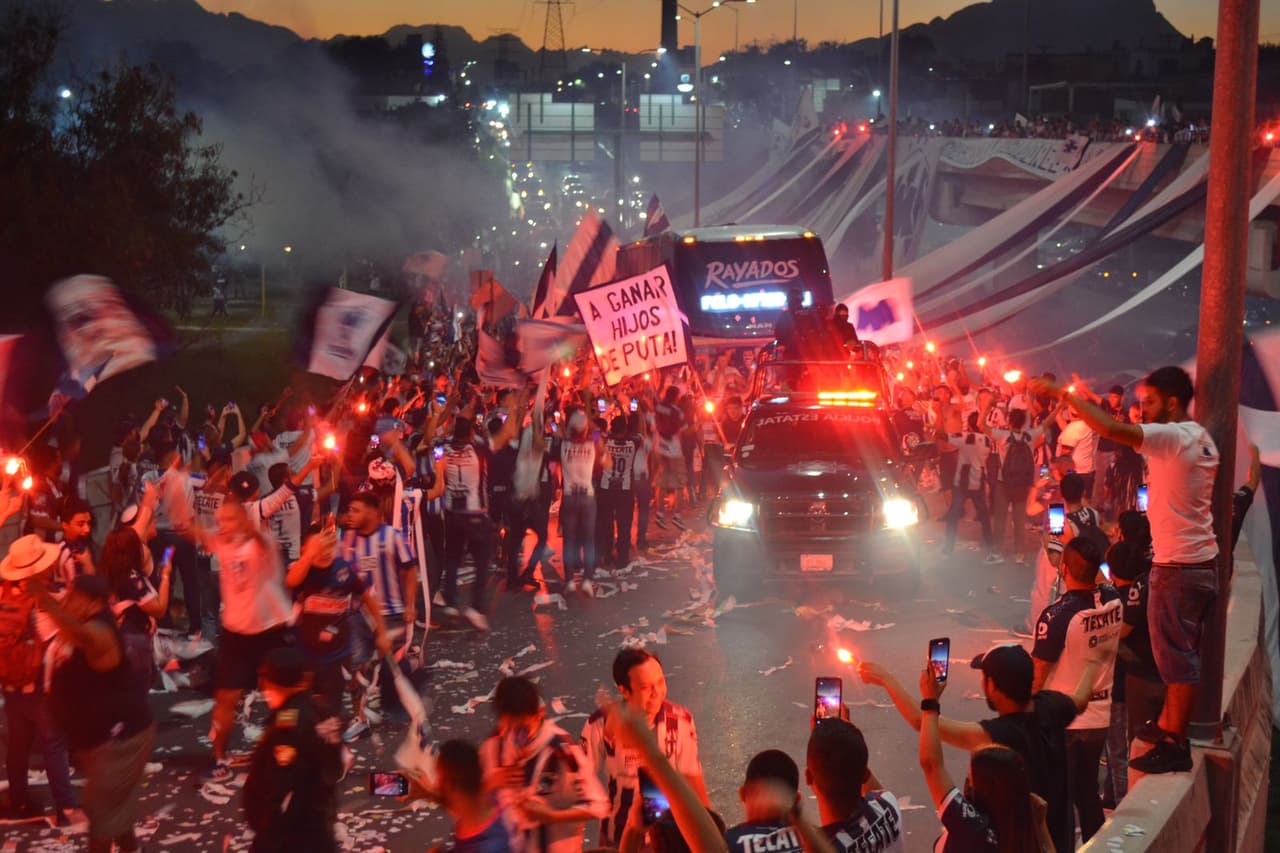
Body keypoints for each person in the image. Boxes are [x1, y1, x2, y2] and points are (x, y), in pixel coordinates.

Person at [1032, 367, 1217, 774]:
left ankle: (1175, 740)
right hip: (1198, 559)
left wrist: (1064, 396)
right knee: (1178, 651)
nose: (1141, 411)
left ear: (1171, 402)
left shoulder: (1174, 436)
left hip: (1180, 563)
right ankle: (1170, 728)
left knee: (1176, 656)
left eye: (1149, 402)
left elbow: (1114, 430)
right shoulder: (1201, 438)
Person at [858, 643, 1102, 853]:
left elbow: (921, 726)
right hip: (1053, 839)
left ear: (993, 685)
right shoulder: (1051, 706)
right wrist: (1094, 661)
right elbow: (1080, 700)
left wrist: (887, 679)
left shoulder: (998, 736)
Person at [36, 575, 155, 853]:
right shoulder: (84, 625)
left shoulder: (100, 632)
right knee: (114, 808)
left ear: (90, 602)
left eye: (73, 597)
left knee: (102, 817)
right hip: (101, 739)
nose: (66, 601)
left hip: (121, 738)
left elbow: (80, 634)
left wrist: (45, 602)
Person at [190, 499, 295, 780]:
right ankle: (219, 757)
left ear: (245, 521)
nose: (223, 526)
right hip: (237, 635)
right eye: (220, 520)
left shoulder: (263, 543)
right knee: (225, 698)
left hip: (269, 631)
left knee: (285, 698)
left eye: (230, 520)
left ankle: (289, 751)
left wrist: (247, 527)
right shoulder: (222, 543)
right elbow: (192, 531)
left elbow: (259, 540)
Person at [1031, 538, 1122, 843]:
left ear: (1065, 567)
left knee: (1060, 802)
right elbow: (1099, 579)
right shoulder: (1113, 600)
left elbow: (1038, 674)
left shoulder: (1057, 616)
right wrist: (1078, 562)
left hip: (1065, 721)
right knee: (1088, 795)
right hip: (1099, 717)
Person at [580, 648, 709, 846]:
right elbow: (580, 779)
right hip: (619, 837)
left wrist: (709, 828)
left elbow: (693, 779)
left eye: (660, 682)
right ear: (624, 690)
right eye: (646, 687)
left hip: (670, 839)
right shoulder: (600, 724)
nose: (657, 693)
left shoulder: (680, 721)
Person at [916, 666, 1051, 853]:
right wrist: (1040, 826)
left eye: (971, 778)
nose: (967, 783)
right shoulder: (1023, 831)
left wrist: (930, 701)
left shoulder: (972, 827)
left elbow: (931, 764)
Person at [0, 535, 81, 827]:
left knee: (17, 745)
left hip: (10, 686)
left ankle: (18, 799)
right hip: (40, 687)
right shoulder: (47, 599)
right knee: (54, 743)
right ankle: (67, 808)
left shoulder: (3, 594)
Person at [480, 676, 609, 853]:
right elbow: (471, 806)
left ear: (539, 713)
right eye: (508, 727)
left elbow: (598, 806)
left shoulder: (563, 752)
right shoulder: (492, 747)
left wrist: (552, 816)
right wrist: (489, 784)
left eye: (522, 729)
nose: (514, 737)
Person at [243, 646, 344, 853]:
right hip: (320, 820)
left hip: (297, 835)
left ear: (271, 683)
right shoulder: (322, 710)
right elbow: (335, 769)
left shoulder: (288, 727)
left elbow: (282, 790)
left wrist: (265, 842)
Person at [286, 524, 391, 720]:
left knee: (331, 707)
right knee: (300, 705)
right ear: (303, 550)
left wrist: (382, 631)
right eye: (319, 547)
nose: (325, 552)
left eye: (329, 546)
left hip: (337, 654)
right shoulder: (301, 570)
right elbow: (291, 581)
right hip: (305, 653)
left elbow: (368, 598)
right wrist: (310, 554)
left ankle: (340, 730)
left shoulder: (344, 569)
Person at [338, 490, 418, 739]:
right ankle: (359, 717)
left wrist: (410, 604)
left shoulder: (393, 537)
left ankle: (396, 708)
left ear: (373, 512)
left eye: (356, 510)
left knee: (392, 667)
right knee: (358, 667)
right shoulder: (346, 540)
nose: (351, 515)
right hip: (358, 615)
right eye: (349, 510)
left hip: (391, 612)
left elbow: (410, 570)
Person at [805, 718, 904, 853]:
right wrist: (847, 742)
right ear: (865, 774)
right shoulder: (888, 806)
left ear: (808, 777)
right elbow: (874, 788)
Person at [409, 739, 519, 853]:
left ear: (451, 785)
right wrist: (426, 793)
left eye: (439, 777)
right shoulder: (481, 815)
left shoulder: (487, 846)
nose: (436, 784)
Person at [725, 750, 836, 853]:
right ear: (796, 799)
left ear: (742, 794)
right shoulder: (813, 837)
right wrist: (796, 815)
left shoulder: (729, 841)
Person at [942, 411, 999, 563]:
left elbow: (944, 437)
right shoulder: (987, 440)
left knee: (953, 515)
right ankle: (989, 544)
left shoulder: (965, 437)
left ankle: (948, 547)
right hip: (978, 479)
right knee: (984, 514)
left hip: (962, 481)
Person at [599, 416, 640, 571]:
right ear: (625, 429)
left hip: (606, 488)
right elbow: (640, 431)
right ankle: (622, 557)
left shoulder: (604, 440)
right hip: (625, 489)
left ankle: (607, 554)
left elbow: (595, 434)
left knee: (607, 523)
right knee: (624, 524)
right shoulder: (634, 442)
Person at [54, 497, 96, 588]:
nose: (87, 529)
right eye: (80, 524)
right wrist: (88, 565)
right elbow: (84, 592)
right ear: (65, 525)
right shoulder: (68, 555)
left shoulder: (81, 545)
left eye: (88, 523)